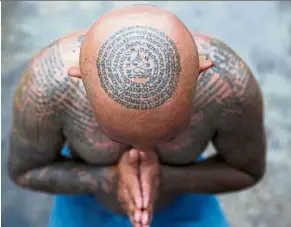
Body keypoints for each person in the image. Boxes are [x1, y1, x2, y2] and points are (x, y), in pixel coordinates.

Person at [8, 5, 266, 227]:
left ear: (201, 71)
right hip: (87, 207)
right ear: (80, 77)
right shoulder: (46, 87)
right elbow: (24, 171)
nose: (141, 152)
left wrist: (168, 179)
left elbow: (248, 171)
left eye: (169, 136)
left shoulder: (231, 88)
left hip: (184, 203)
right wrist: (109, 180)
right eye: (116, 136)